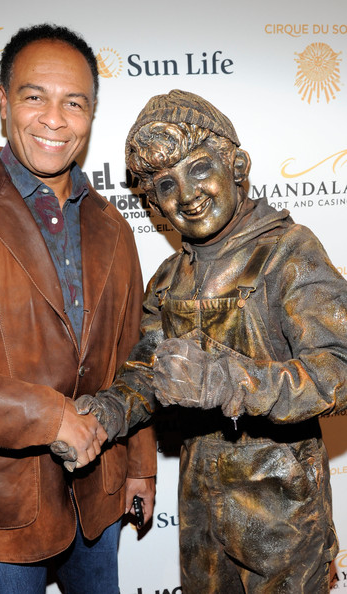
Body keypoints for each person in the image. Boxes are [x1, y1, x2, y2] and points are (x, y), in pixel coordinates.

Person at [72, 89, 347, 593]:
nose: (186, 194)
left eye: (199, 168)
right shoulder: (168, 279)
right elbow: (146, 373)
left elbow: (340, 369)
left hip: (284, 514)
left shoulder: (287, 252)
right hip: (201, 509)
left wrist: (231, 382)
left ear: (237, 165)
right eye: (165, 184)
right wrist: (109, 411)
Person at [0, 24, 156, 594]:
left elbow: (136, 357)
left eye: (74, 103)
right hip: (1, 508)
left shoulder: (115, 226)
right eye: (35, 97)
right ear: (4, 102)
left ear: (91, 115)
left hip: (100, 497)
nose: (55, 119)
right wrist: (49, 418)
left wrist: (140, 464)